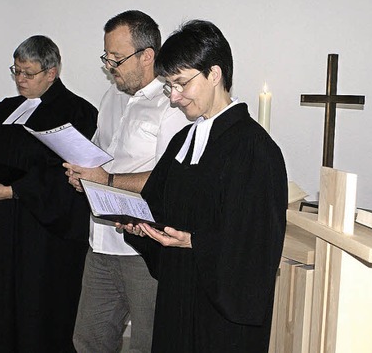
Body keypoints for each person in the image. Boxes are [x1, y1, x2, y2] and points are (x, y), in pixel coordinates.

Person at [122, 20, 288, 352]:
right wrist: (140, 224)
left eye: (181, 83)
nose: (174, 98)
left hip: (221, 318)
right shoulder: (185, 139)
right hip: (178, 295)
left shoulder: (255, 149)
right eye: (169, 86)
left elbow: (256, 244)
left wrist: (197, 242)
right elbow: (158, 203)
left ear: (214, 74)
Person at [63, 11, 189, 353]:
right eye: (107, 58)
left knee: (148, 343)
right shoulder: (111, 97)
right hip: (101, 240)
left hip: (144, 247)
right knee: (89, 340)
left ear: (147, 56)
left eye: (117, 59)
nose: (110, 66)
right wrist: (83, 174)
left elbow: (171, 181)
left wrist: (107, 179)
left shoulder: (173, 105)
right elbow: (101, 155)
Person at [0, 35, 97, 352]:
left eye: (28, 73)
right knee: (1, 305)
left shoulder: (78, 112)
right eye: (16, 71)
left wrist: (14, 191)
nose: (20, 79)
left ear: (51, 72)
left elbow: (70, 174)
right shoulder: (5, 109)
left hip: (46, 236)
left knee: (39, 310)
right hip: (3, 229)